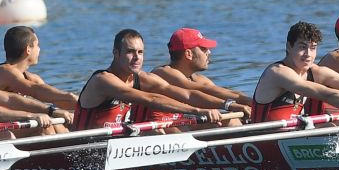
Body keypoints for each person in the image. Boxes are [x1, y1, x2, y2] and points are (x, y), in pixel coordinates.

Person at [73, 30, 225, 130]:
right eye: (130, 52)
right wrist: (197, 111)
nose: (137, 57)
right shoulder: (103, 80)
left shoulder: (143, 78)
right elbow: (151, 98)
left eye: (140, 52)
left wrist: (228, 105)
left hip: (119, 146)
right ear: (116, 53)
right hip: (85, 152)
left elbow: (188, 95)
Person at [145, 27, 254, 124]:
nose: (209, 52)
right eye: (203, 49)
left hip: (183, 123)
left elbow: (224, 93)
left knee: (233, 119)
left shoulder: (198, 78)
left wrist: (250, 102)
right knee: (231, 122)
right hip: (160, 127)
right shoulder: (162, 73)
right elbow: (198, 91)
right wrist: (230, 105)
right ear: (189, 54)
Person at [0, 26, 80, 118]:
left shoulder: (31, 78)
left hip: (7, 122)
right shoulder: (5, 72)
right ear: (28, 49)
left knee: (58, 122)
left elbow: (57, 100)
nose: (39, 49)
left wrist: (80, 104)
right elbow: (34, 90)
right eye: (37, 45)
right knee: (46, 127)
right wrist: (69, 96)